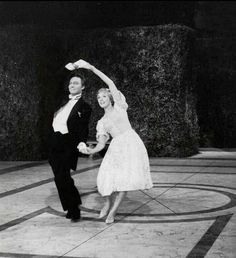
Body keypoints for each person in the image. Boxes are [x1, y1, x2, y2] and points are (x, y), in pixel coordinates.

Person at [75, 59, 153, 224]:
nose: (101, 99)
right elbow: (102, 145)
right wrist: (90, 151)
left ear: (110, 97)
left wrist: (92, 67)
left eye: (104, 96)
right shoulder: (101, 122)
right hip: (116, 147)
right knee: (105, 178)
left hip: (131, 144)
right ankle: (107, 202)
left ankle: (113, 212)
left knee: (124, 182)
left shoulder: (119, 106)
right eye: (98, 97)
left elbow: (109, 82)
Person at [48, 70, 92, 222]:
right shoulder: (61, 100)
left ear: (83, 87)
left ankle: (73, 208)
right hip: (54, 141)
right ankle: (73, 205)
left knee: (62, 176)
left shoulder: (85, 107)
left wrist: (82, 141)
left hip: (68, 143)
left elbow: (83, 128)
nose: (72, 85)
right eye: (71, 83)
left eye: (76, 83)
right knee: (60, 177)